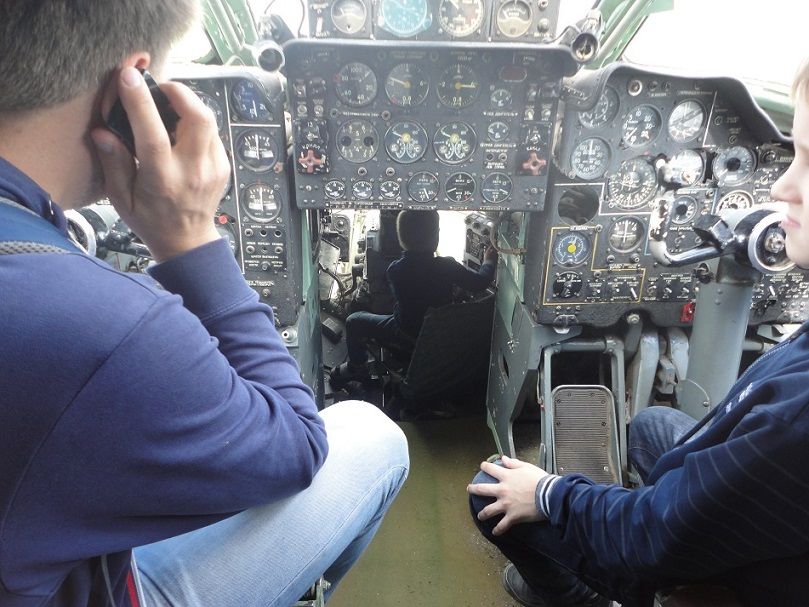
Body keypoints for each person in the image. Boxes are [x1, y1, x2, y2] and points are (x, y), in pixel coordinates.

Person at [0, 2, 408, 606]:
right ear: (131, 83)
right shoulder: (109, 329)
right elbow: (298, 449)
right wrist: (189, 240)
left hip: (52, 551)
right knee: (374, 436)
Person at [468, 62, 809, 607]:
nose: (781, 185)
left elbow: (653, 534)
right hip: (757, 524)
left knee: (489, 489)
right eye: (793, 154)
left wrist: (549, 492)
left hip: (675, 550)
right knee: (651, 425)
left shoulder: (796, 418)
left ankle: (578, 596)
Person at [331, 209, 498, 385]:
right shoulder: (447, 266)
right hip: (438, 334)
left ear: (401, 239)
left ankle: (357, 367)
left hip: (404, 332)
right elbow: (480, 283)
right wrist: (489, 260)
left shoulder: (395, 270)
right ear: (436, 236)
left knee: (353, 321)